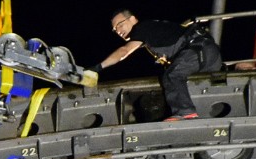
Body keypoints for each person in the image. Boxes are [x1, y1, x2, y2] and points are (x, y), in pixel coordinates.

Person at [89, 9, 223, 121]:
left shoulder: (143, 28)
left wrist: (98, 67)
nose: (118, 30)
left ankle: (185, 112)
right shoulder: (154, 33)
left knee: (172, 75)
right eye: (114, 29)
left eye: (119, 24)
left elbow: (124, 51)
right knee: (187, 82)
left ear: (132, 19)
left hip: (198, 49)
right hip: (209, 55)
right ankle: (201, 111)